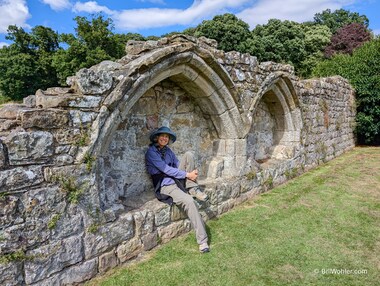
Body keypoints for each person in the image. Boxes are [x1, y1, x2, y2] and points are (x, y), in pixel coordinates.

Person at [145, 126, 210, 253]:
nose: (164, 138)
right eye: (162, 136)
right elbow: (166, 169)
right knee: (190, 202)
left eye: (167, 136)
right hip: (166, 184)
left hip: (175, 179)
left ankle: (193, 188)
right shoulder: (151, 152)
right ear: (157, 137)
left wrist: (190, 173)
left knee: (189, 155)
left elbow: (176, 165)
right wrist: (188, 175)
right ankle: (203, 241)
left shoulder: (168, 151)